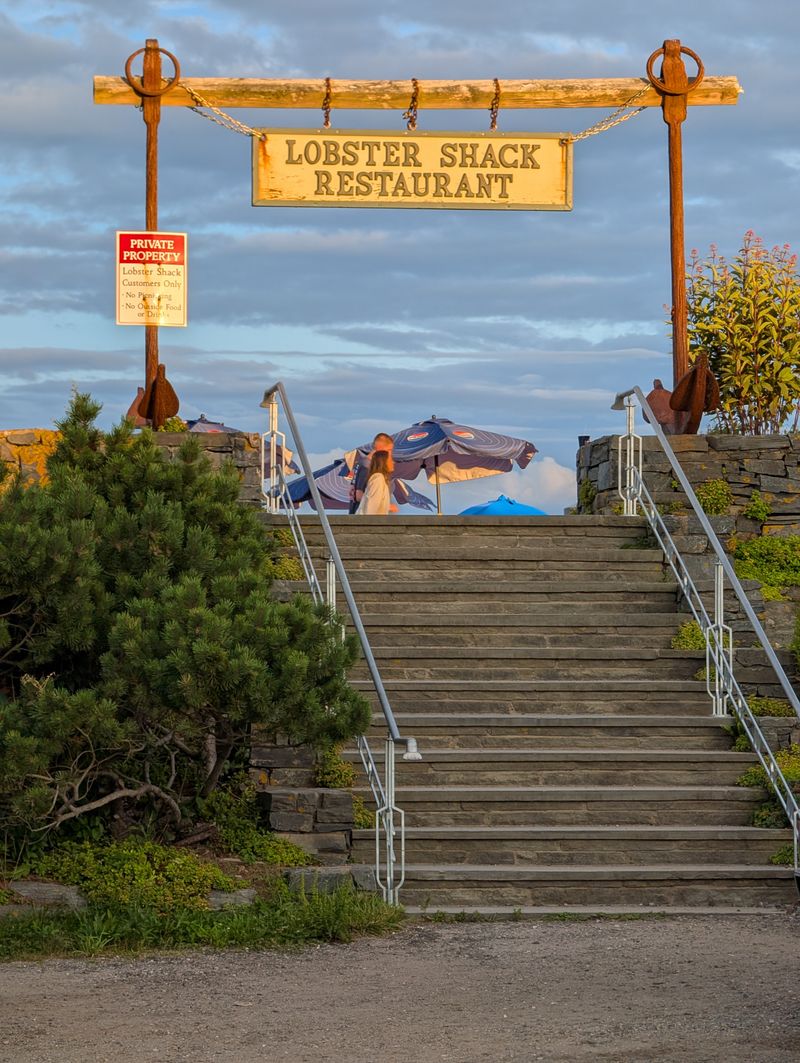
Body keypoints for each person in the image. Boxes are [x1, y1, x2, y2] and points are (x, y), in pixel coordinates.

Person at [349, 432, 398, 513]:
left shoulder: (362, 463)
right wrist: (385, 505)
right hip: (363, 520)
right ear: (380, 449)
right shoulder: (367, 466)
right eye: (389, 450)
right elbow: (358, 495)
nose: (390, 453)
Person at [356, 450, 394, 514]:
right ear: (383, 462)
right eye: (390, 460)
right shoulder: (378, 479)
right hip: (370, 522)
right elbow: (371, 506)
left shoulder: (379, 479)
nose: (393, 462)